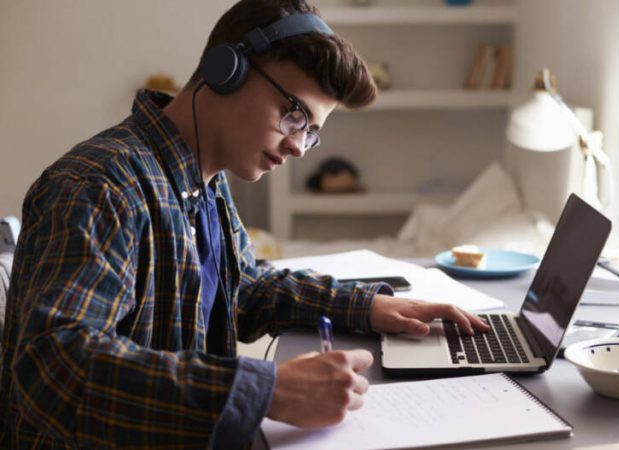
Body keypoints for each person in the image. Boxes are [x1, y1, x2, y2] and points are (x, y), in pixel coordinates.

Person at [0, 0, 490, 448]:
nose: (300, 147)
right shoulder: (102, 186)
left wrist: (370, 306)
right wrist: (264, 390)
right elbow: (53, 369)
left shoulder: (203, 181)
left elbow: (241, 289)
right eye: (295, 116)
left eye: (313, 133)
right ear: (225, 71)